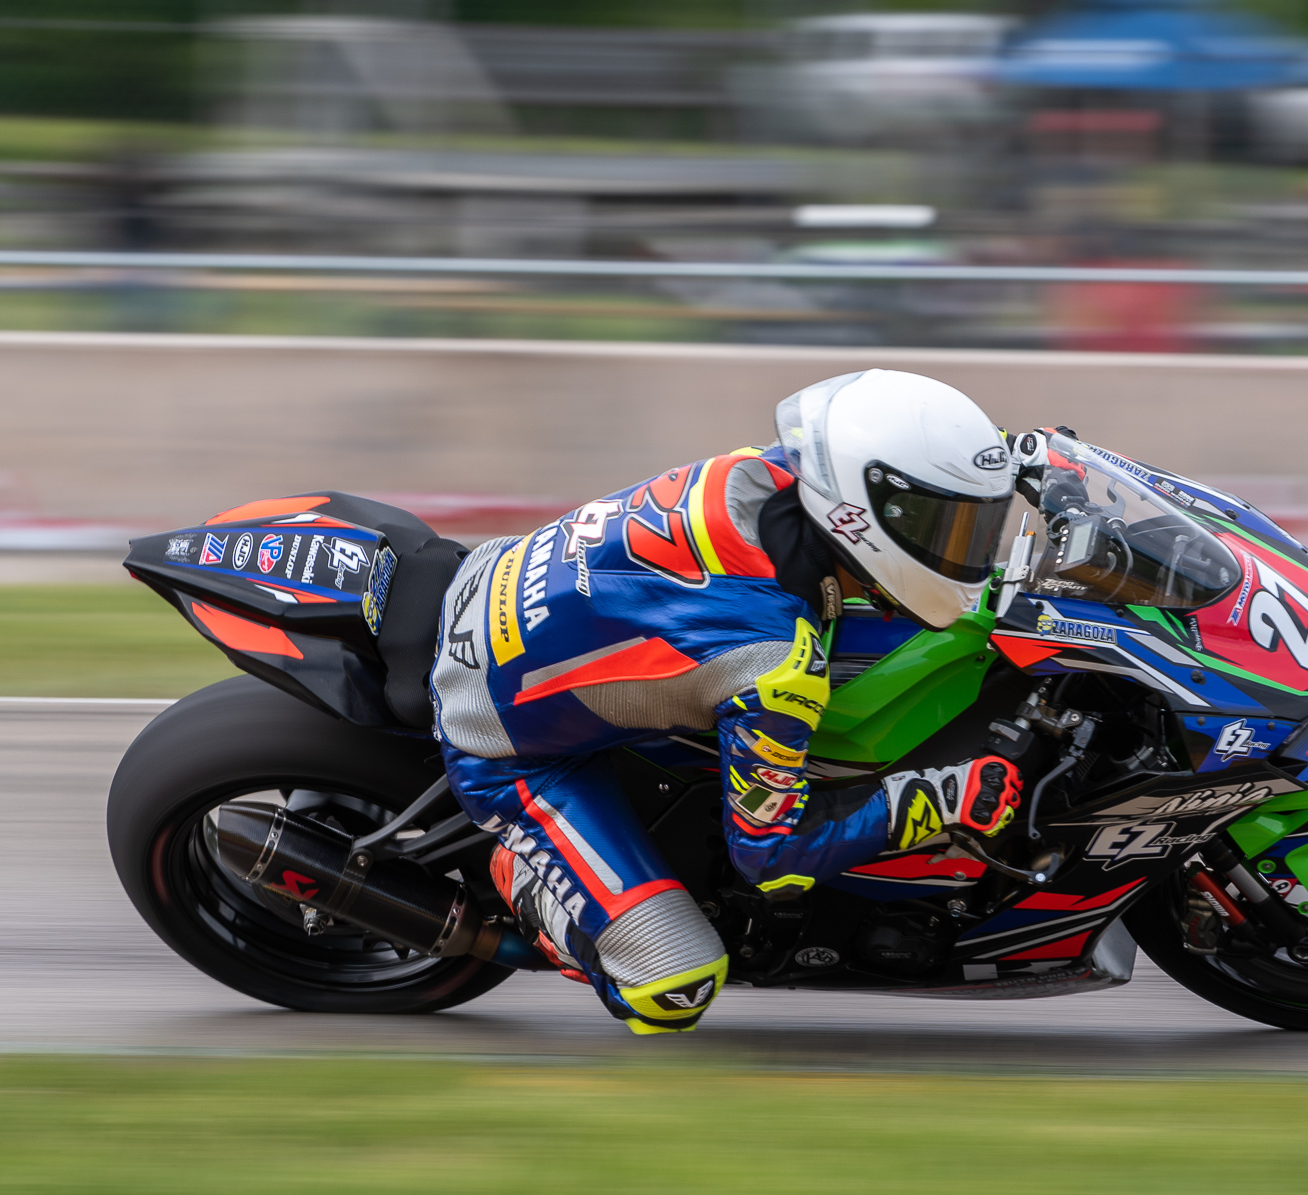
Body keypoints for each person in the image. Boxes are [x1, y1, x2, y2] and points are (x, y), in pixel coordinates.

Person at [432, 370, 1026, 1034]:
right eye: (950, 528)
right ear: (860, 517)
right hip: (501, 741)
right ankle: (527, 880)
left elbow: (893, 451)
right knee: (675, 984)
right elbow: (770, 856)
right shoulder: (773, 663)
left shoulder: (767, 472)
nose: (970, 549)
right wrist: (936, 800)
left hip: (499, 584)